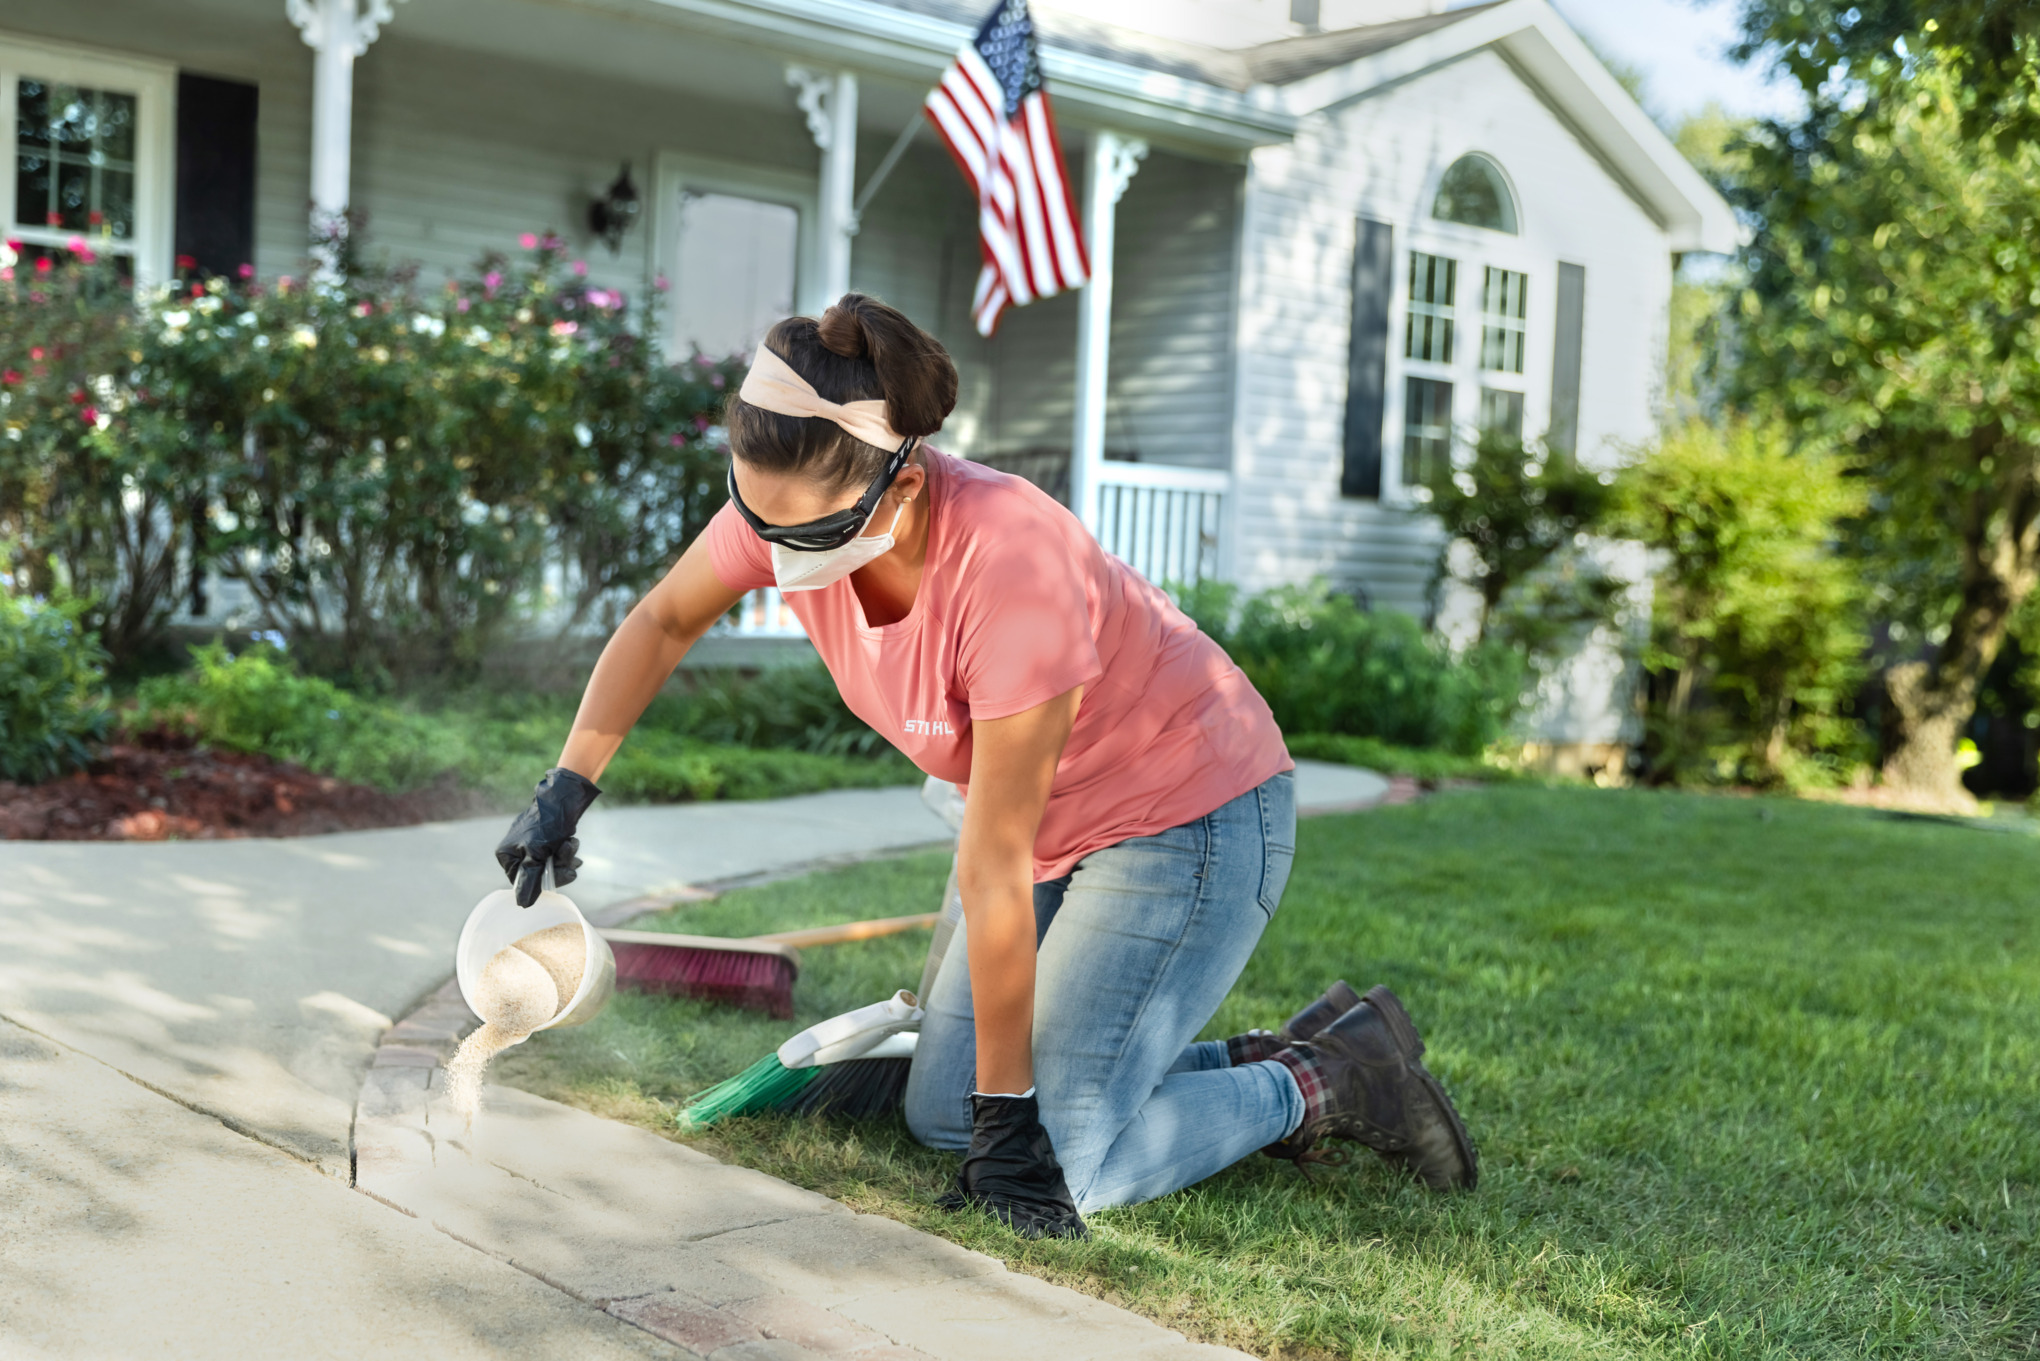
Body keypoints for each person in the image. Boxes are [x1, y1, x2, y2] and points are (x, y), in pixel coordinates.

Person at [494, 294, 1477, 1237]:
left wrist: (1016, 1123)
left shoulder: (1012, 567)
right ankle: (1293, 1048)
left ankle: (1328, 1083)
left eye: (809, 535)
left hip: (1188, 815)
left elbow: (994, 865)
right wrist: (568, 784)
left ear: (904, 484)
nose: (778, 560)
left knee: (1063, 1162)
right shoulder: (791, 504)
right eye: (760, 524)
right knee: (945, 1117)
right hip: (1051, 823)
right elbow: (665, 617)